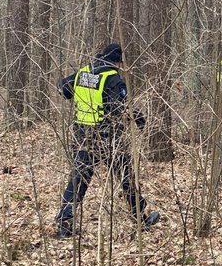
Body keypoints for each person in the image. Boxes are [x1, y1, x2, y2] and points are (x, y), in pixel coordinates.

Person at [55, 43, 160, 239]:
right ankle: (140, 218)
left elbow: (64, 88)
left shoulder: (83, 72)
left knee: (79, 180)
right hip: (106, 137)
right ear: (117, 61)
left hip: (81, 137)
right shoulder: (112, 79)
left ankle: (64, 223)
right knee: (126, 177)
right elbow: (122, 106)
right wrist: (140, 121)